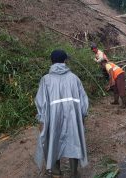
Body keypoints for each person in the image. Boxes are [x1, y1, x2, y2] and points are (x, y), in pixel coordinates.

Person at [34, 49, 89, 178]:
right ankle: (74, 173)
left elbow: (41, 102)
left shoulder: (46, 80)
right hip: (73, 118)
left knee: (53, 142)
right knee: (74, 141)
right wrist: (82, 115)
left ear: (51, 61)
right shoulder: (74, 78)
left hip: (53, 119)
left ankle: (56, 172)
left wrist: (42, 119)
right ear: (65, 61)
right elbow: (83, 100)